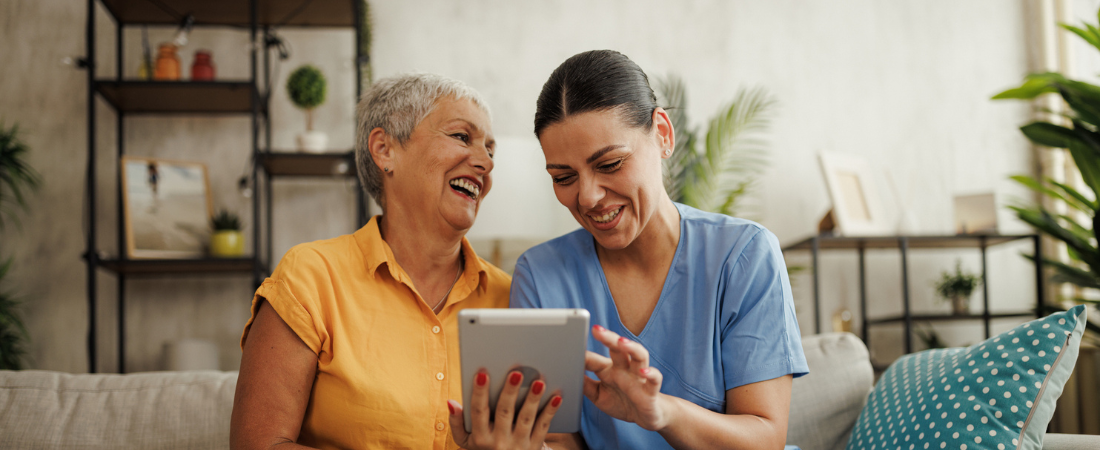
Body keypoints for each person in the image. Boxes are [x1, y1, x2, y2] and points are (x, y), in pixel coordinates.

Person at [230, 73, 559, 450]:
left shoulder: (514, 296)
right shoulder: (311, 276)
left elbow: (555, 441)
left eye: (490, 150)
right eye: (461, 137)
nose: (485, 162)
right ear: (385, 149)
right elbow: (257, 444)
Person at [507, 50, 810, 450]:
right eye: (564, 177)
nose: (589, 197)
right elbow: (559, 441)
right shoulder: (541, 275)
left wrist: (661, 412)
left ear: (663, 134)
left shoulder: (744, 255)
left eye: (610, 164)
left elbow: (765, 438)